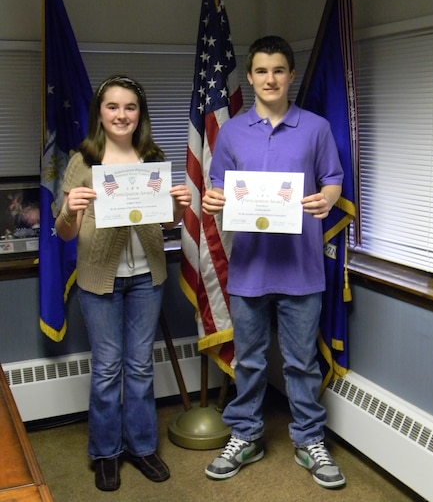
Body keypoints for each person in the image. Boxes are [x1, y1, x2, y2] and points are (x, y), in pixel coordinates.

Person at [202, 36, 346, 489]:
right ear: (249, 76)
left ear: (291, 75)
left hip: (302, 269)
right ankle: (245, 435)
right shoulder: (231, 132)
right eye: (262, 71)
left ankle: (309, 440)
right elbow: (217, 188)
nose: (270, 79)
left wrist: (326, 200)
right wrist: (212, 199)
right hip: (249, 268)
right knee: (250, 360)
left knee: (302, 363)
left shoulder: (316, 128)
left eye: (279, 70)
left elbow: (333, 180)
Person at [56, 75, 192, 492]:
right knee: (108, 368)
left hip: (147, 277)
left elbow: (169, 223)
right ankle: (105, 453)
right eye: (112, 106)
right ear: (100, 112)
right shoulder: (83, 160)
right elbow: (63, 233)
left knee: (139, 366)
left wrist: (179, 206)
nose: (121, 114)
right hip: (100, 279)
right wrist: (70, 210)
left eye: (130, 107)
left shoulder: (152, 156)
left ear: (140, 114)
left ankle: (141, 446)